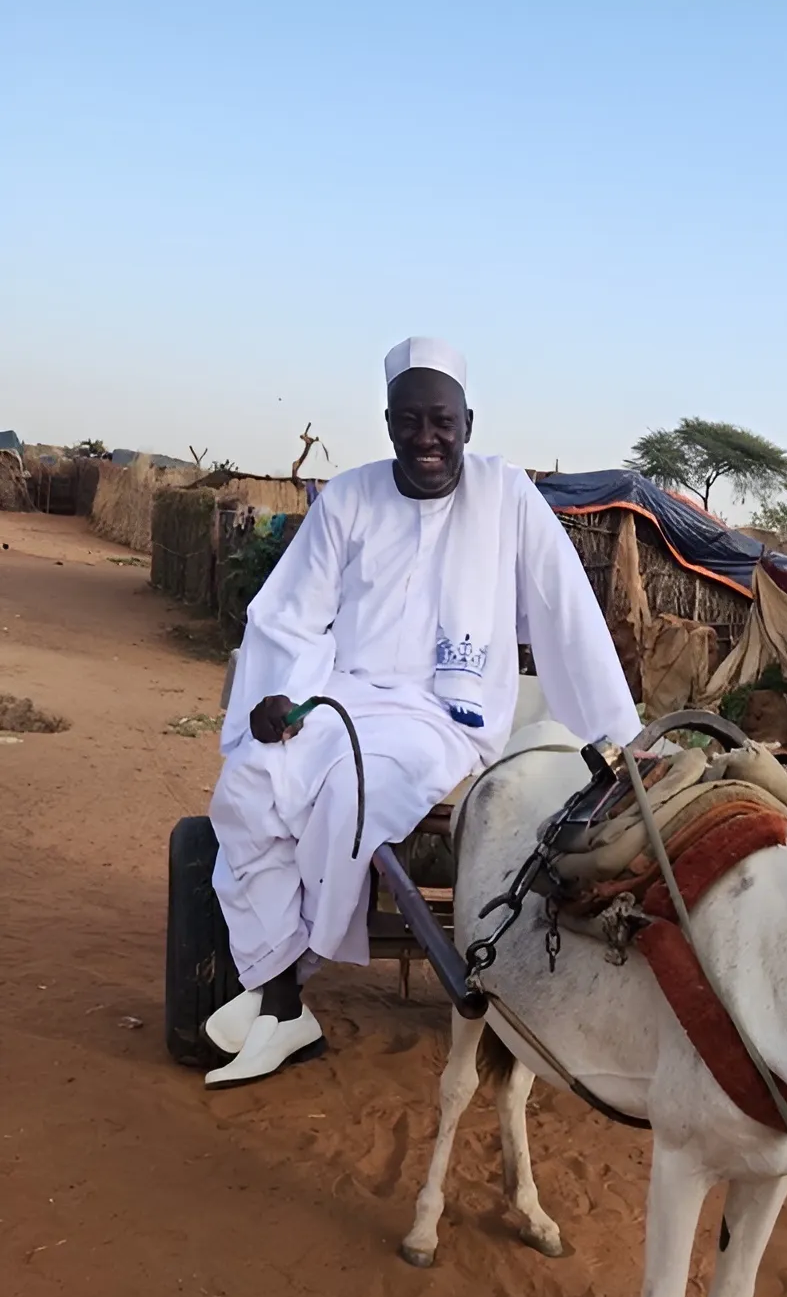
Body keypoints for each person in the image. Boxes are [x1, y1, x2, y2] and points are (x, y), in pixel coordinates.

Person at [205, 336, 642, 1086]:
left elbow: (569, 618)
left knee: (351, 795)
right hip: (338, 699)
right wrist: (274, 695)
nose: (426, 439)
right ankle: (280, 1002)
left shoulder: (508, 500)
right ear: (388, 422)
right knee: (247, 785)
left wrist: (618, 745)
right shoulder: (348, 497)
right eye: (409, 421)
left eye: (441, 421)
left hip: (443, 720)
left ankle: (286, 984)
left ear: (467, 422)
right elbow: (289, 616)